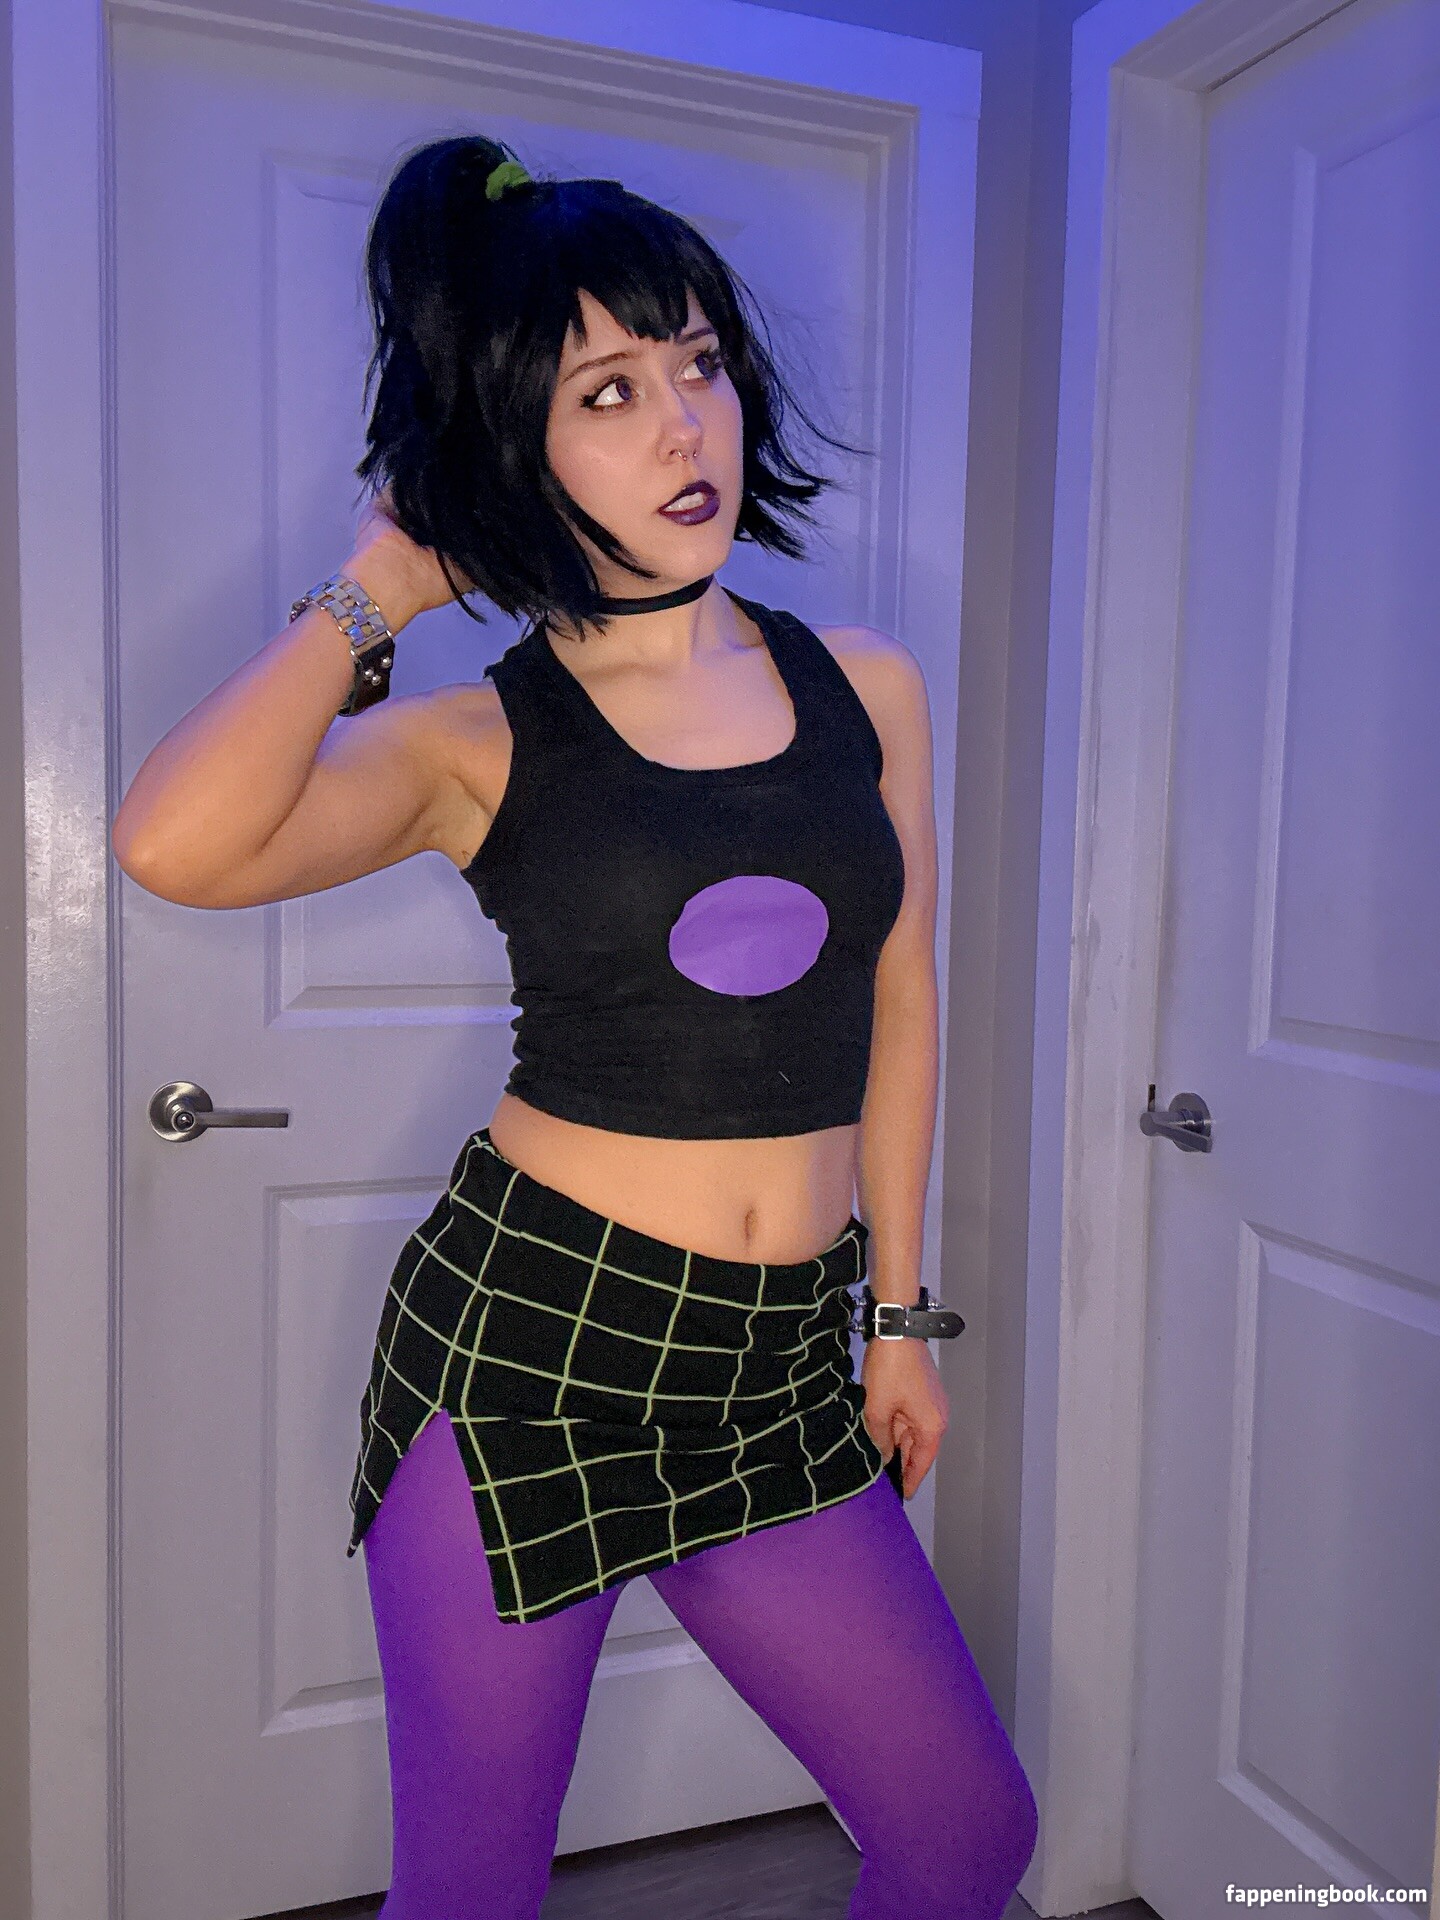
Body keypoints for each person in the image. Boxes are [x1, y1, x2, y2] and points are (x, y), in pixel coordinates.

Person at [112, 134, 1037, 1920]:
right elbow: (172, 842)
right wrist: (380, 587)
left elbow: (902, 995)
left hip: (778, 1365)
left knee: (963, 1833)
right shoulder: (478, 741)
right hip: (531, 1358)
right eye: (608, 392)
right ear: (514, 448)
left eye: (698, 363)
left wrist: (899, 1315)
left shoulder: (869, 684)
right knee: (471, 1892)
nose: (686, 426)